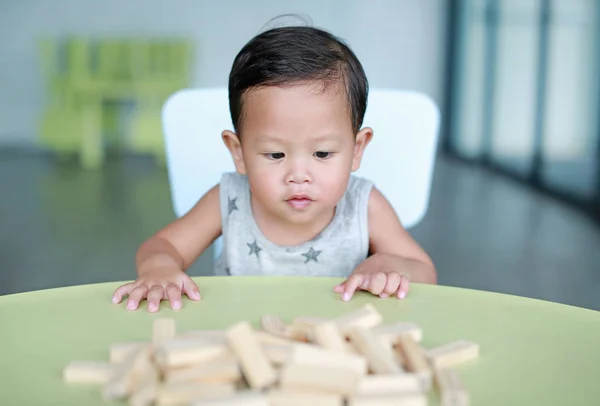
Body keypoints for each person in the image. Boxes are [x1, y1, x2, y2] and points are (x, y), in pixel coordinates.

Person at [111, 25, 437, 313]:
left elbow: (425, 272)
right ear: (238, 152)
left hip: (340, 353)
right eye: (275, 154)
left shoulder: (364, 206)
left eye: (322, 153)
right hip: (245, 350)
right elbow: (161, 246)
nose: (298, 175)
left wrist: (389, 266)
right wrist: (160, 268)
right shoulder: (229, 199)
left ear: (357, 149)